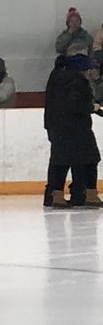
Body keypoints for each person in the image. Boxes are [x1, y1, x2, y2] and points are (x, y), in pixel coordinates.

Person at [43, 52, 102, 208]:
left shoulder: (57, 78)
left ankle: (57, 195)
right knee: (90, 159)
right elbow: (74, 105)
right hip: (76, 128)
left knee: (61, 161)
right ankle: (88, 194)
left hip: (58, 127)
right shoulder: (76, 81)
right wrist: (92, 107)